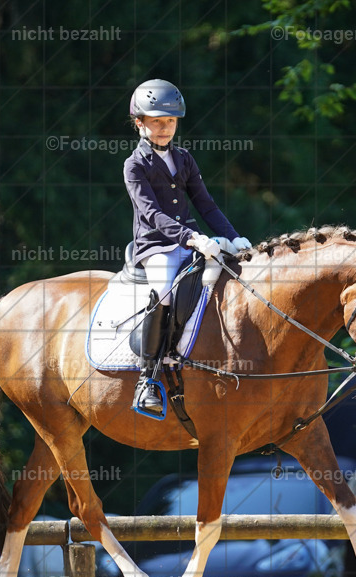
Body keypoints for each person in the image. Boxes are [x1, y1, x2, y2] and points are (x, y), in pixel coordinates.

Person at [124, 79, 251, 417]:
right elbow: (151, 213)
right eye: (156, 122)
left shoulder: (184, 159)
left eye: (170, 122)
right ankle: (147, 378)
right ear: (140, 122)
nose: (164, 128)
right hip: (156, 247)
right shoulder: (134, 166)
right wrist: (192, 239)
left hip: (194, 241)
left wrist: (234, 237)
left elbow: (206, 205)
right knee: (165, 290)